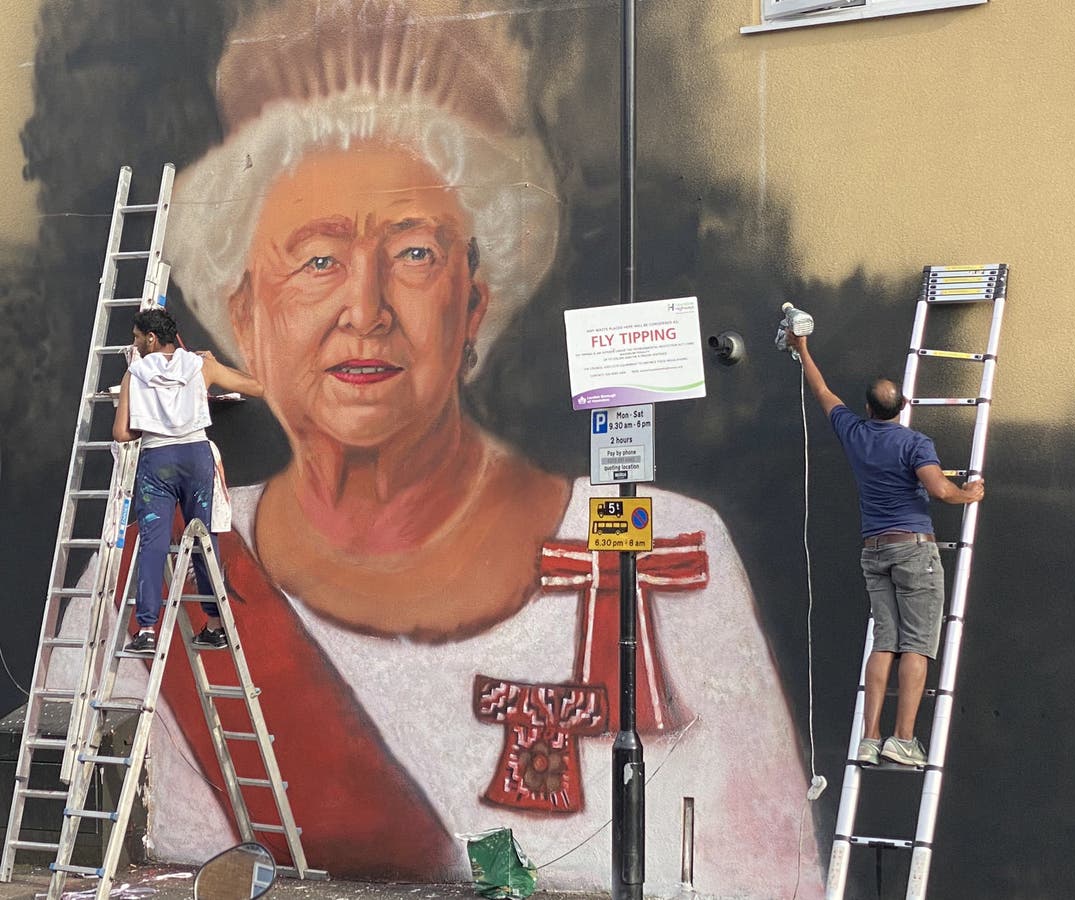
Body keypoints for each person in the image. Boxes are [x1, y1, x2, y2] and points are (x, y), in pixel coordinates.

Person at [52, 3, 823, 897]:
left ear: (474, 311)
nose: (366, 309)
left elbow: (774, 877)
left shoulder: (669, 557)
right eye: (316, 261)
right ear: (248, 324)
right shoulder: (161, 557)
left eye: (414, 253)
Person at [790, 332, 983, 767]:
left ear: (870, 409)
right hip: (914, 551)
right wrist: (967, 494)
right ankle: (903, 738)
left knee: (885, 642)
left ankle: (869, 738)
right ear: (901, 408)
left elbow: (822, 390)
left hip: (873, 552)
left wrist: (802, 348)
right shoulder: (915, 443)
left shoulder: (854, 432)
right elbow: (938, 490)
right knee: (916, 646)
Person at [113, 308, 264, 654]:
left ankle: (148, 629)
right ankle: (214, 626)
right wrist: (214, 362)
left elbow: (122, 433)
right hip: (196, 457)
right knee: (203, 541)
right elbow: (256, 386)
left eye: (137, 337)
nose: (134, 344)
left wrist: (149, 423)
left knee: (153, 544)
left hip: (158, 462)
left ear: (151, 338)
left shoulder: (134, 375)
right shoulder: (200, 366)